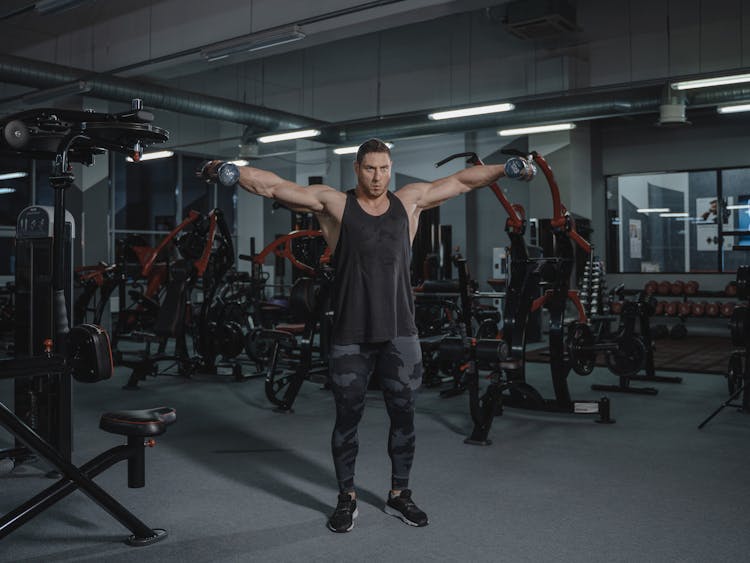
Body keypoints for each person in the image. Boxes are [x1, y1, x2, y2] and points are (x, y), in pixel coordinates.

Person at [199, 139, 535, 533]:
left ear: (391, 168)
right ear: (357, 168)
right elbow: (274, 186)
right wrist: (233, 171)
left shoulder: (410, 201)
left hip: (400, 334)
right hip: (350, 334)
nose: (378, 177)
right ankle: (347, 498)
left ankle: (399, 494)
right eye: (371, 169)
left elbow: (461, 181)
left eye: (385, 169)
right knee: (347, 419)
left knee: (404, 416)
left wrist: (506, 168)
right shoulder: (335, 205)